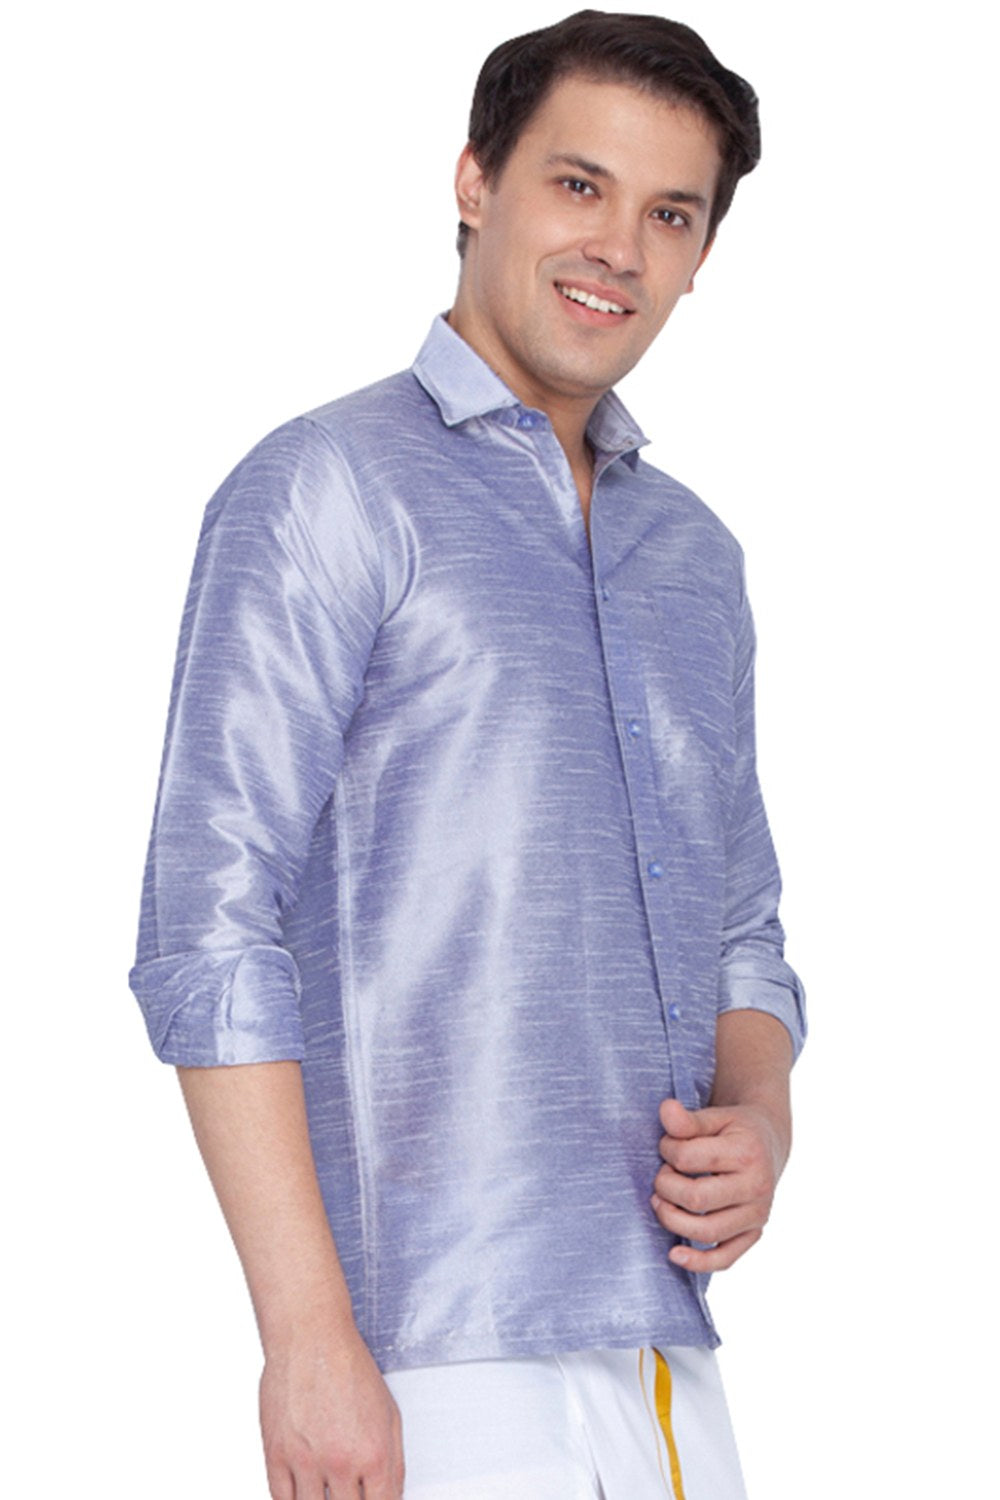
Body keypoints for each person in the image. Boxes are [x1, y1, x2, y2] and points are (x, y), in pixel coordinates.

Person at [130, 11, 805, 1498]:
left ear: (702, 254)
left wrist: (764, 1116)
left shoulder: (697, 558)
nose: (617, 246)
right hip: (426, 1346)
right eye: (578, 184)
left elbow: (743, 933)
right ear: (475, 181)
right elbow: (208, 928)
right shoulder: (326, 489)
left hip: (668, 1349)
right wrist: (306, 1338)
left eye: (670, 213)